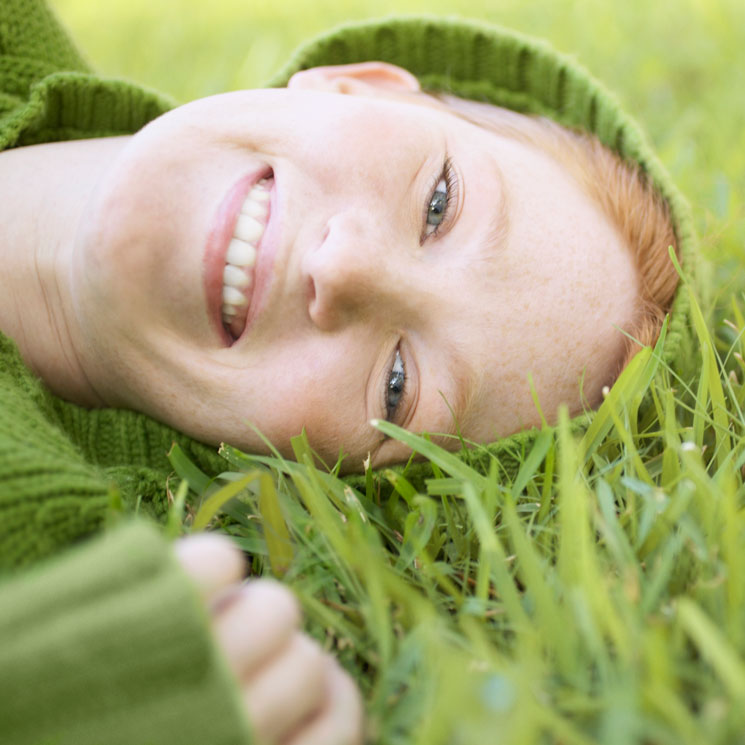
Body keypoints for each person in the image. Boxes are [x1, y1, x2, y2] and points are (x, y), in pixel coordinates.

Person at [0, 1, 697, 744]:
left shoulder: (53, 588)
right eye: (439, 204)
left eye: (396, 385)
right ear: (358, 85)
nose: (343, 265)